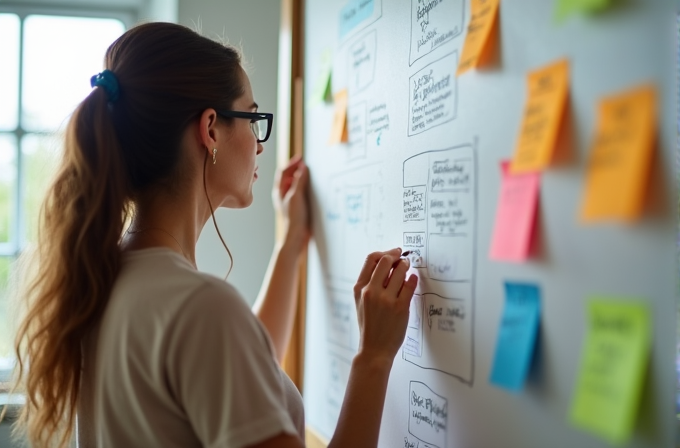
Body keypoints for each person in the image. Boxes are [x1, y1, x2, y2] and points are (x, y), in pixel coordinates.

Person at [9, 22, 418, 448]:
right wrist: (372, 357)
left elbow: (239, 371)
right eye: (253, 117)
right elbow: (222, 343)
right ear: (209, 129)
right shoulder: (201, 309)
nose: (260, 146)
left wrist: (291, 240)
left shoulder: (104, 282)